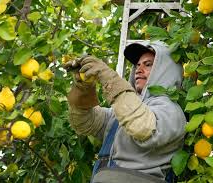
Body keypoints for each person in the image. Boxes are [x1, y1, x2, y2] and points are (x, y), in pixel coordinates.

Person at [65, 40, 186, 183]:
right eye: (137, 65)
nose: (139, 70)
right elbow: (84, 124)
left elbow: (143, 127)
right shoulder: (124, 109)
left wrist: (110, 78)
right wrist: (83, 88)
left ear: (165, 70)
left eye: (148, 65)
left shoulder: (171, 111)